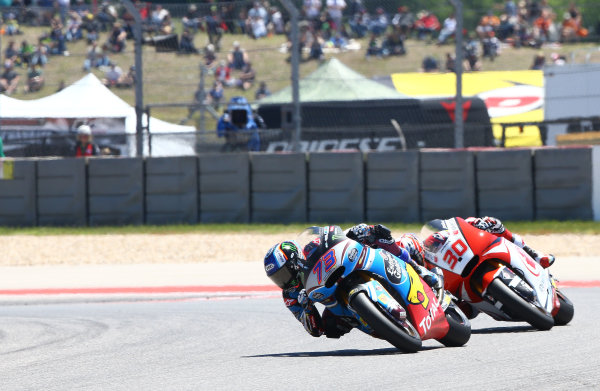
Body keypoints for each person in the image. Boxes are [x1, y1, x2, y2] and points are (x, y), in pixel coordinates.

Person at [263, 225, 442, 339]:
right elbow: (314, 330)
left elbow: (333, 238)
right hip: (334, 299)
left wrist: (359, 231)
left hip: (344, 266)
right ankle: (371, 319)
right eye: (277, 278)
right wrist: (307, 307)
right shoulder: (290, 296)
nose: (283, 281)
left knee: (384, 237)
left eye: (284, 274)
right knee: (331, 328)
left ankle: (419, 270)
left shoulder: (309, 249)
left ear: (295, 262)